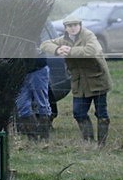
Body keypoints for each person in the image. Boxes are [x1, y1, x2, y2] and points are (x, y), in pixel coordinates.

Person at [41, 16, 113, 146]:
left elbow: (92, 50)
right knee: (78, 113)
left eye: (75, 25)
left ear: (80, 25)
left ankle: (102, 144)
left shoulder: (88, 35)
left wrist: (70, 51)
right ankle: (89, 142)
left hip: (97, 80)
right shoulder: (63, 40)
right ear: (65, 28)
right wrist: (57, 49)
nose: (72, 28)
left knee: (101, 114)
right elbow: (45, 44)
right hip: (79, 83)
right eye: (69, 26)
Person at [15, 57, 52, 140]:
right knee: (22, 107)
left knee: (42, 104)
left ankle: (44, 136)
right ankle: (32, 137)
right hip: (19, 72)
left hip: (37, 69)